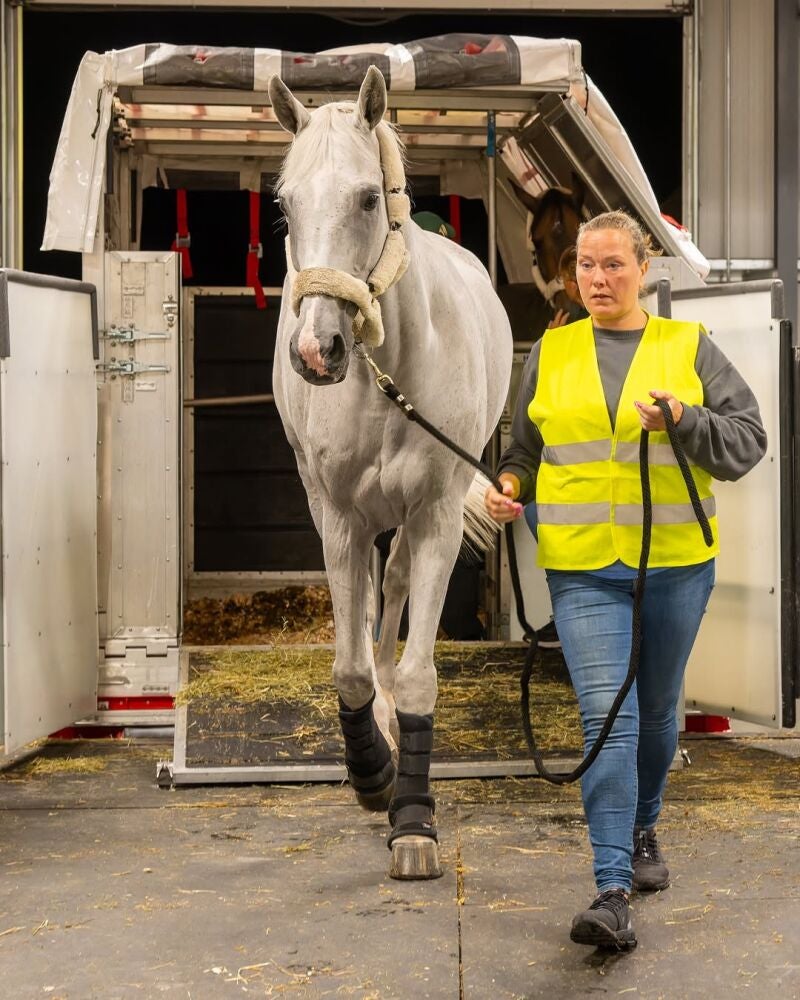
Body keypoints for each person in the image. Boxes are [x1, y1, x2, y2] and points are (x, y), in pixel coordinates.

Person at [485, 209, 766, 951]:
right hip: (582, 571)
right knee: (606, 718)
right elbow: (524, 447)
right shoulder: (550, 352)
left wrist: (684, 417)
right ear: (570, 272)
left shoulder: (687, 346)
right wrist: (509, 482)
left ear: (645, 269)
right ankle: (610, 888)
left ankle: (645, 826)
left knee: (658, 717)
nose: (598, 279)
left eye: (613, 265)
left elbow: (748, 442)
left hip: (675, 565)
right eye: (585, 265)